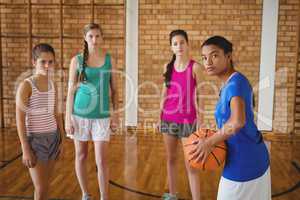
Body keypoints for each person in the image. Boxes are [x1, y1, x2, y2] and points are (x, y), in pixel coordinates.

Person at [191, 35, 271, 200]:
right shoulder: (231, 83)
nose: (208, 62)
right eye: (204, 58)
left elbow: (237, 121)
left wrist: (209, 142)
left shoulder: (235, 84)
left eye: (214, 55)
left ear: (228, 56)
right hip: (250, 157)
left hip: (244, 163)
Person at [65, 23, 119, 200]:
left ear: (102, 38)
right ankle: (85, 194)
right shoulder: (77, 60)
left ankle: (104, 197)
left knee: (102, 160)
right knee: (81, 155)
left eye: (97, 36)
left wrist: (115, 115)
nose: (94, 40)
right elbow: (71, 91)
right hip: (79, 115)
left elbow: (115, 90)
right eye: (91, 36)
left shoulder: (110, 60)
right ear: (85, 38)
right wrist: (67, 118)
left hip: (101, 117)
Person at [158, 29, 204, 200]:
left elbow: (200, 96)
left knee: (191, 164)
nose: (179, 46)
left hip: (188, 121)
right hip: (168, 119)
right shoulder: (167, 67)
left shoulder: (195, 67)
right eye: (175, 44)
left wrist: (201, 120)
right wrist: (159, 117)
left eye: (182, 42)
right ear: (171, 47)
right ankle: (172, 194)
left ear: (188, 44)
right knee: (171, 159)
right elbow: (164, 94)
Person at [16, 43, 64, 200]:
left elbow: (56, 113)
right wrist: (25, 148)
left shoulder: (53, 84)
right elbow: (20, 120)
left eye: (51, 62)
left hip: (53, 137)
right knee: (41, 187)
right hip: (36, 141)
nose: (47, 65)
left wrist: (61, 139)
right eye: (43, 61)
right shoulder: (26, 85)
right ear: (33, 62)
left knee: (45, 186)